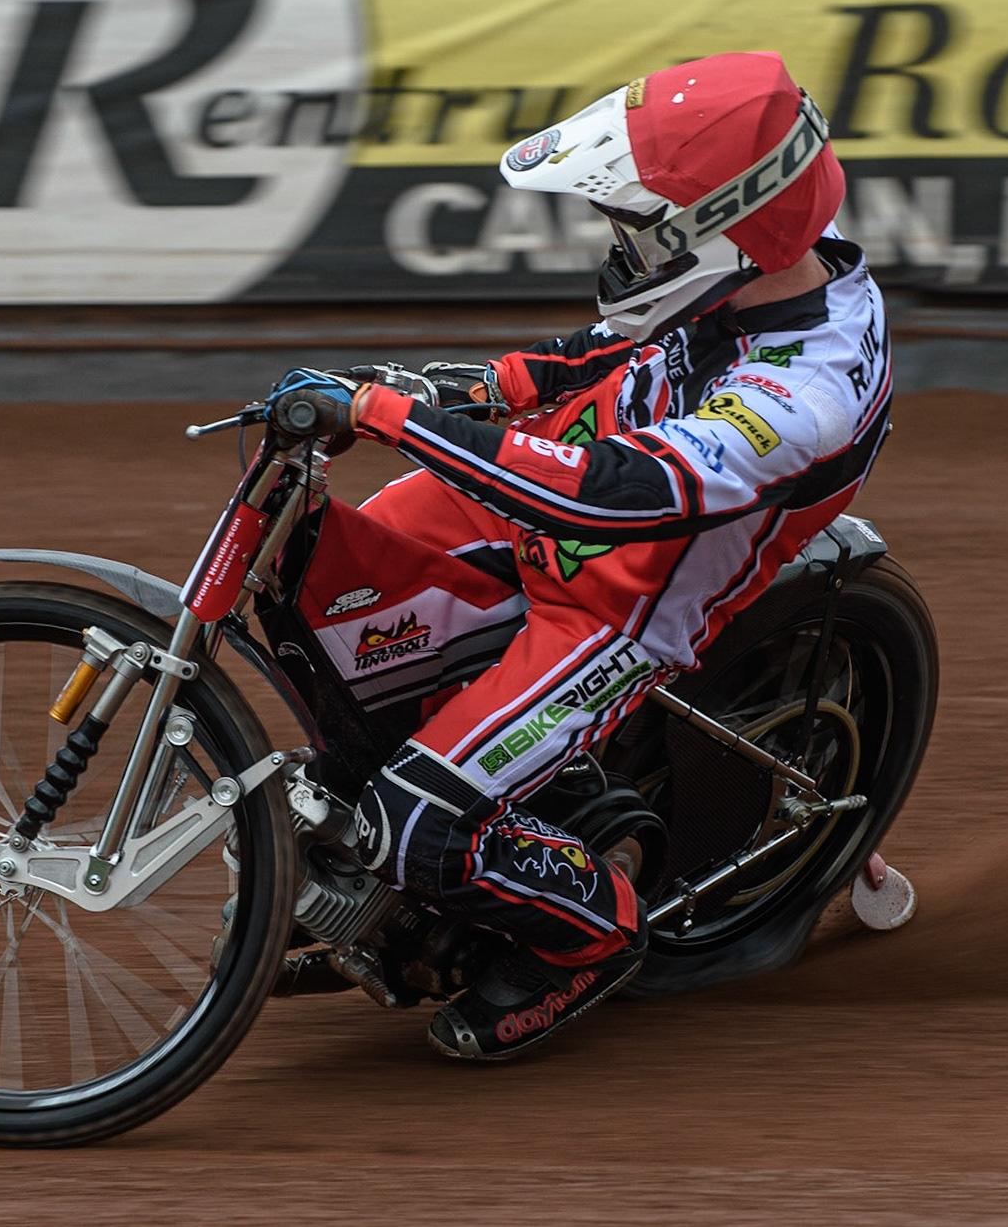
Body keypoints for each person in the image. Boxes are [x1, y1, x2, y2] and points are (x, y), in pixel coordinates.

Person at [267, 51, 892, 1060]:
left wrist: (392, 414)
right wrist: (459, 391)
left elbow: (619, 498)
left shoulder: (802, 390)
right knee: (332, 589)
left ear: (723, 230)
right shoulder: (767, 258)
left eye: (639, 231)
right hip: (558, 504)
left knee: (411, 821)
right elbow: (618, 351)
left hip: (615, 597)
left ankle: (590, 935)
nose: (618, 250)